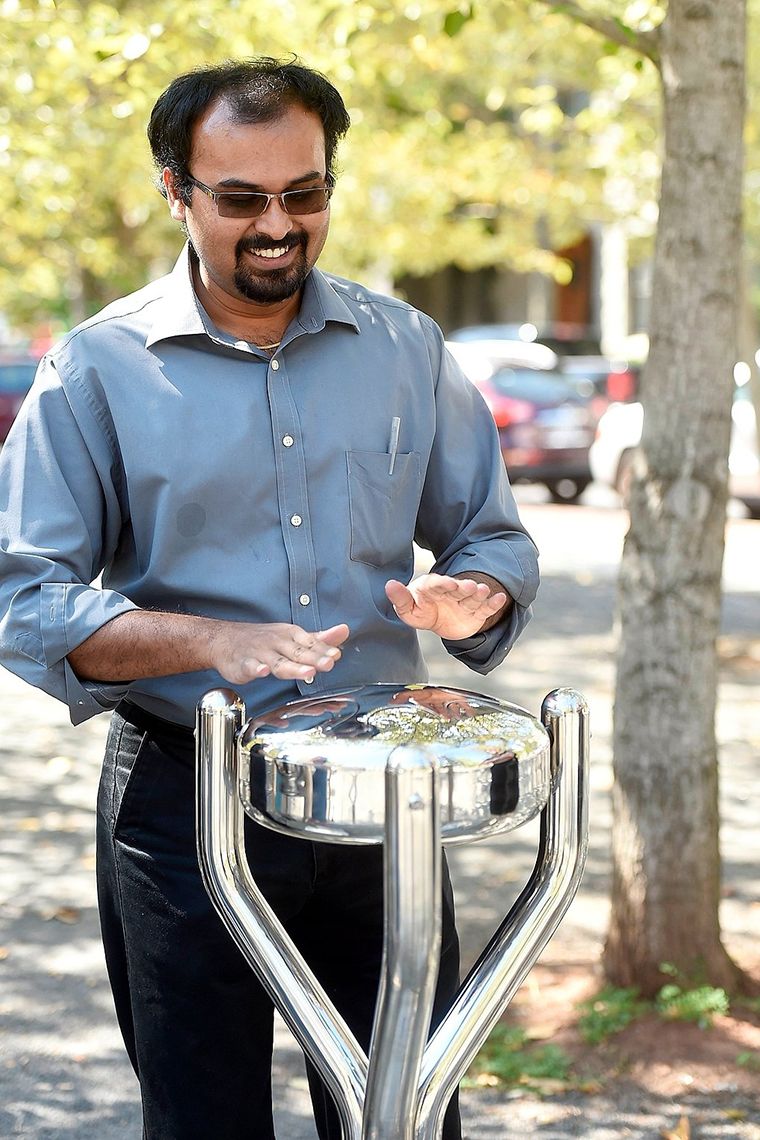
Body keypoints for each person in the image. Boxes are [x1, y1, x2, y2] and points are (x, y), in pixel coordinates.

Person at [0, 57, 539, 1139]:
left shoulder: (405, 348)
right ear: (175, 190)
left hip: (388, 799)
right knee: (204, 1119)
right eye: (240, 198)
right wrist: (211, 641)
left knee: (404, 1111)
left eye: (304, 193)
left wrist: (475, 593)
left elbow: (493, 534)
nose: (277, 225)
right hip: (182, 805)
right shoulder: (97, 368)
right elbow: (26, 600)